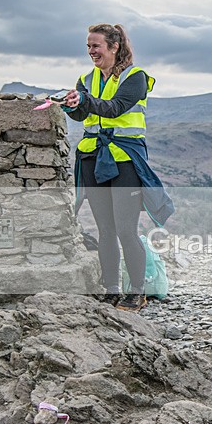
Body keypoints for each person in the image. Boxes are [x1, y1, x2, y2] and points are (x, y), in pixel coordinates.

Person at [63, 24, 174, 312]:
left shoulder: (135, 77)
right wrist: (72, 105)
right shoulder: (86, 79)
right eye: (88, 46)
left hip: (124, 159)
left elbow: (114, 108)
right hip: (92, 157)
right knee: (105, 229)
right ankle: (111, 290)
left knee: (126, 229)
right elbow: (82, 114)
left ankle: (137, 292)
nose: (91, 51)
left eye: (96, 46)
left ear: (114, 46)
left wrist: (84, 100)